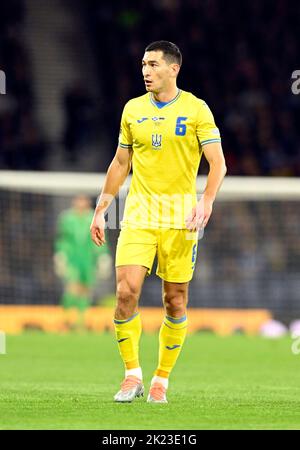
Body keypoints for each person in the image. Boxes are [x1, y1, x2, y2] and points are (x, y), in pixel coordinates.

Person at [90, 41, 226, 403]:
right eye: (143, 65)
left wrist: (206, 200)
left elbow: (218, 163)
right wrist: (102, 208)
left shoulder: (196, 109)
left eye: (152, 65)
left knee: (175, 300)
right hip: (139, 214)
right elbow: (121, 164)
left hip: (181, 218)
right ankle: (131, 374)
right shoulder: (133, 109)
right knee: (124, 292)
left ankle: (161, 379)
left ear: (173, 68)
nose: (145, 71)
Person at [54, 195, 112, 329]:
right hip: (72, 259)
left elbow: (100, 238)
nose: (80, 203)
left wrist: (103, 256)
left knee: (85, 291)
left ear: (87, 203)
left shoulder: (93, 218)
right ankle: (66, 319)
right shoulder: (66, 218)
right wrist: (60, 255)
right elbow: (63, 238)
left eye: (83, 200)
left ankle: (81, 322)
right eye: (78, 200)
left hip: (88, 260)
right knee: (72, 288)